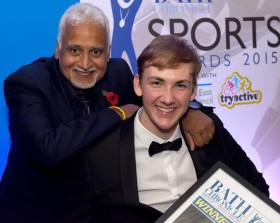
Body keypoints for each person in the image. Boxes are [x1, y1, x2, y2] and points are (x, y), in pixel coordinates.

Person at [0, 3, 215, 223]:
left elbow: (160, 100)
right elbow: (49, 149)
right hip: (37, 212)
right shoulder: (26, 83)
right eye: (75, 50)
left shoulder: (119, 72)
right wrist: (117, 113)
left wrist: (190, 111)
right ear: (58, 49)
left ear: (108, 52)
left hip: (98, 210)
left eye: (96, 52)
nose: (85, 63)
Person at [62, 35, 269, 223]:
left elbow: (258, 192)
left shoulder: (210, 132)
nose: (168, 98)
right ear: (138, 85)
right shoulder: (99, 153)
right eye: (157, 83)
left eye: (180, 85)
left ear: (193, 91)